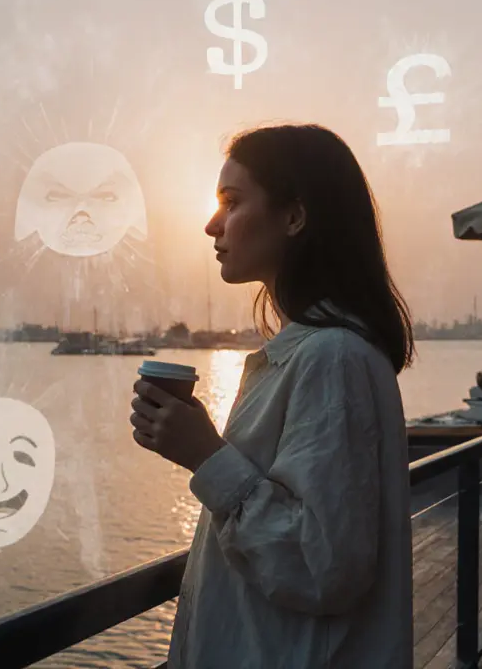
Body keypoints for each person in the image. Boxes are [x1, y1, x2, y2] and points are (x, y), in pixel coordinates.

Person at [129, 124, 414, 668]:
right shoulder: (316, 354)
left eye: (232, 203)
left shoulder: (331, 359)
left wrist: (205, 455)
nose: (212, 224)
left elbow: (323, 567)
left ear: (294, 216)